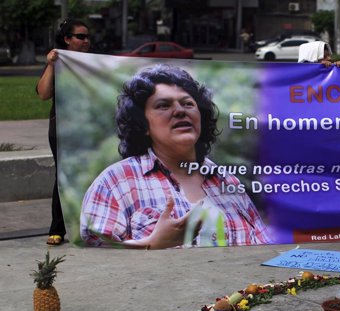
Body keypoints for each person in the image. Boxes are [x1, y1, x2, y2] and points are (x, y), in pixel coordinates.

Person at [80, 65, 270, 249]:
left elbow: (264, 249)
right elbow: (96, 259)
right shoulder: (115, 183)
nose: (180, 110)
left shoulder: (229, 182)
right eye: (163, 105)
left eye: (187, 103)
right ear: (143, 125)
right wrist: (151, 245)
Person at [36, 18, 91, 245]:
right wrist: (50, 64)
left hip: (86, 130)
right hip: (60, 130)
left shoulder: (93, 63)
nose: (86, 41)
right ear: (67, 39)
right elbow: (43, 93)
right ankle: (57, 228)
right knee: (63, 176)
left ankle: (88, 227)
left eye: (88, 37)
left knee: (88, 176)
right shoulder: (59, 62)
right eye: (80, 36)